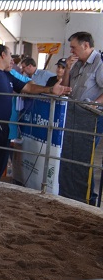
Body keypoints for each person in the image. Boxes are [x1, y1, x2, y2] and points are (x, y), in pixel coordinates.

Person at [0, 44, 70, 181]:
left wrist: (50, 90)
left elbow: (28, 87)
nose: (12, 59)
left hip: (4, 126)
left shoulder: (7, 75)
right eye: (9, 55)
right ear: (3, 55)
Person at [59, 32, 103, 204]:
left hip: (91, 119)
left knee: (85, 157)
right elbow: (65, 88)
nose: (71, 51)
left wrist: (94, 104)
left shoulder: (99, 62)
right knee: (71, 154)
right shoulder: (77, 64)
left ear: (85, 45)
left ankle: (89, 198)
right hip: (73, 115)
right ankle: (71, 193)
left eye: (74, 47)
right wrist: (68, 68)